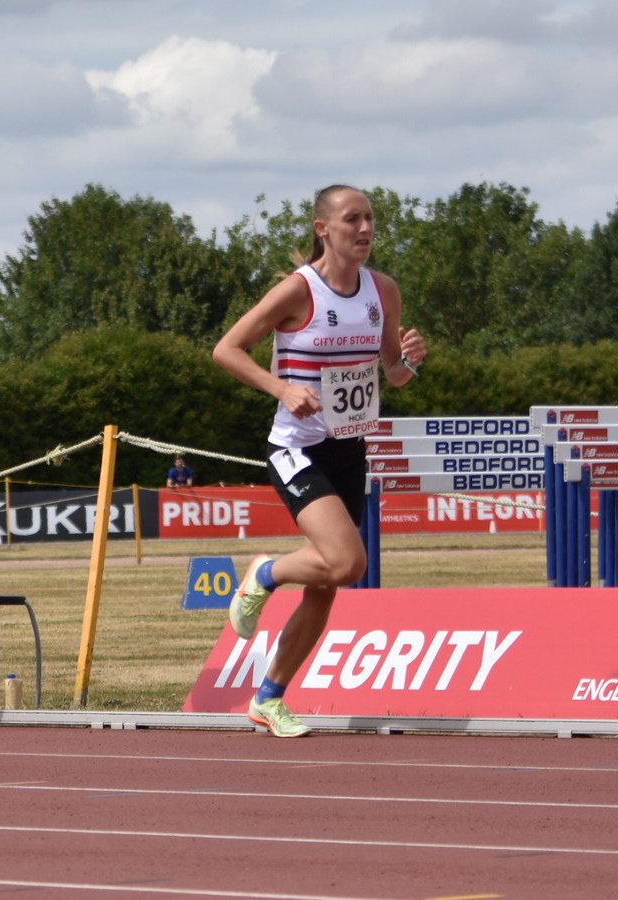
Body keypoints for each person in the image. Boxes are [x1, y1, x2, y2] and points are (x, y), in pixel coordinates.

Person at [211, 184, 426, 738]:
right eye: (352, 218)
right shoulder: (297, 291)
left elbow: (392, 372)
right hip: (296, 448)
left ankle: (270, 697)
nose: (366, 228)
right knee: (348, 564)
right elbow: (226, 350)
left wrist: (410, 365)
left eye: (371, 218)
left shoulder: (383, 290)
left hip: (349, 447)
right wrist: (282, 389)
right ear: (322, 228)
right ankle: (265, 572)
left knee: (329, 580)